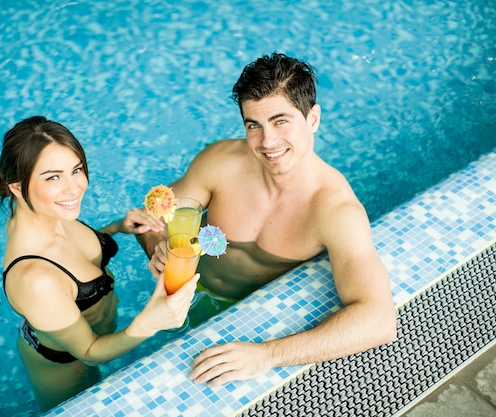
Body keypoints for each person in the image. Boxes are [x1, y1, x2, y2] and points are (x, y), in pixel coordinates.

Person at [138, 53, 397, 387]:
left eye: (281, 121)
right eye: (254, 125)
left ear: (313, 118)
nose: (267, 142)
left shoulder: (334, 210)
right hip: (181, 293)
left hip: (245, 321)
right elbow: (150, 215)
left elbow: (378, 320)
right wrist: (157, 246)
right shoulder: (220, 162)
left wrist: (267, 355)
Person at [0, 116, 198, 411]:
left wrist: (117, 228)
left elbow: (73, 253)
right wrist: (150, 323)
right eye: (53, 177)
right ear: (16, 186)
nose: (74, 188)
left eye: (76, 170)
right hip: (65, 365)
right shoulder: (35, 279)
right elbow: (89, 351)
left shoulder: (47, 215)